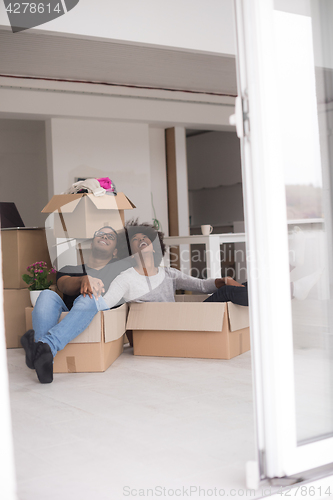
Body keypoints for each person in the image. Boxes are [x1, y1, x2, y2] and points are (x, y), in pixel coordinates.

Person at [21, 226, 131, 384]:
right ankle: (44, 360)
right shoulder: (70, 269)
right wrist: (82, 280)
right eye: (100, 234)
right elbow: (63, 285)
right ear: (92, 244)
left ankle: (44, 347)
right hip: (72, 312)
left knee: (89, 297)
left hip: (97, 309)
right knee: (46, 294)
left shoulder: (121, 269)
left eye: (110, 237)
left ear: (114, 252)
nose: (105, 237)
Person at [93, 222, 249, 319]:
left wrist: (222, 280)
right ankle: (265, 302)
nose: (141, 240)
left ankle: (263, 298)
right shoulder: (126, 278)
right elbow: (105, 304)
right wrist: (87, 286)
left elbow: (201, 286)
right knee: (228, 292)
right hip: (163, 326)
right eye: (135, 239)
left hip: (181, 320)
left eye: (145, 237)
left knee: (244, 285)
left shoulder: (168, 274)